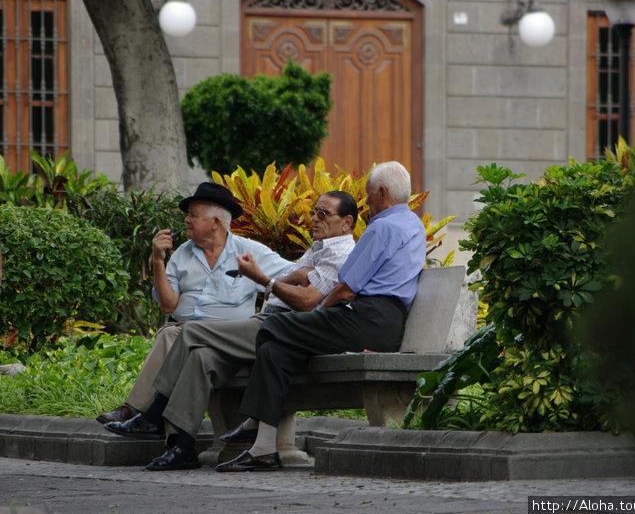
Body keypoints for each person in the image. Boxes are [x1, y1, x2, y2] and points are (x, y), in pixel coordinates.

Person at [103, 191, 359, 471]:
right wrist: (289, 278)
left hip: (281, 329)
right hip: (263, 326)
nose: (314, 219)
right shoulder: (318, 248)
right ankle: (182, 446)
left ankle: (152, 414)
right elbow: (292, 280)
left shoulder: (337, 252)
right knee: (200, 357)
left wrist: (264, 279)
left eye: (323, 214)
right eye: (314, 212)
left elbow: (306, 300)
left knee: (189, 333)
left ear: (346, 223)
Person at [216, 161, 426, 472]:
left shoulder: (382, 227)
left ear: (382, 193)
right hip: (383, 322)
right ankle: (262, 449)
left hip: (365, 318)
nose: (368, 203)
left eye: (369, 195)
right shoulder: (413, 224)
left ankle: (252, 420)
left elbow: (345, 289)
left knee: (275, 325)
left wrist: (319, 315)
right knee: (276, 351)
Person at [97, 182, 293, 424]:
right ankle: (160, 427)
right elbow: (168, 306)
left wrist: (269, 285)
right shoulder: (181, 253)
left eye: (193, 215)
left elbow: (297, 274)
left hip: (226, 336)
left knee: (172, 334)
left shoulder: (249, 252)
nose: (186, 220)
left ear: (216, 222)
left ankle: (134, 410)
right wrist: (158, 260)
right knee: (177, 332)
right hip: (188, 333)